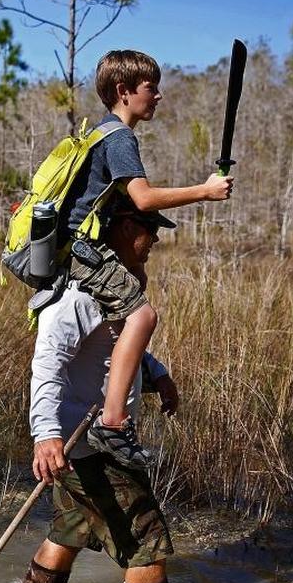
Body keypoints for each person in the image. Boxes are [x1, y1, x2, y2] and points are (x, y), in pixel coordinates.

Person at [61, 49, 231, 463]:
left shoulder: (101, 133)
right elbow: (144, 197)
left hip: (77, 246)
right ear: (124, 91)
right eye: (151, 88)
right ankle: (113, 422)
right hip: (82, 248)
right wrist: (204, 191)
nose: (158, 96)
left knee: (134, 297)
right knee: (143, 315)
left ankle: (137, 385)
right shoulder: (119, 137)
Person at [19, 207, 181, 583]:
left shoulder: (112, 290)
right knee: (146, 542)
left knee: (69, 529)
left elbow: (113, 349)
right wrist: (46, 434)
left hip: (78, 448)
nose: (156, 240)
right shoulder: (80, 294)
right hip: (88, 445)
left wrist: (157, 373)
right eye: (151, 231)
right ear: (127, 228)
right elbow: (47, 362)